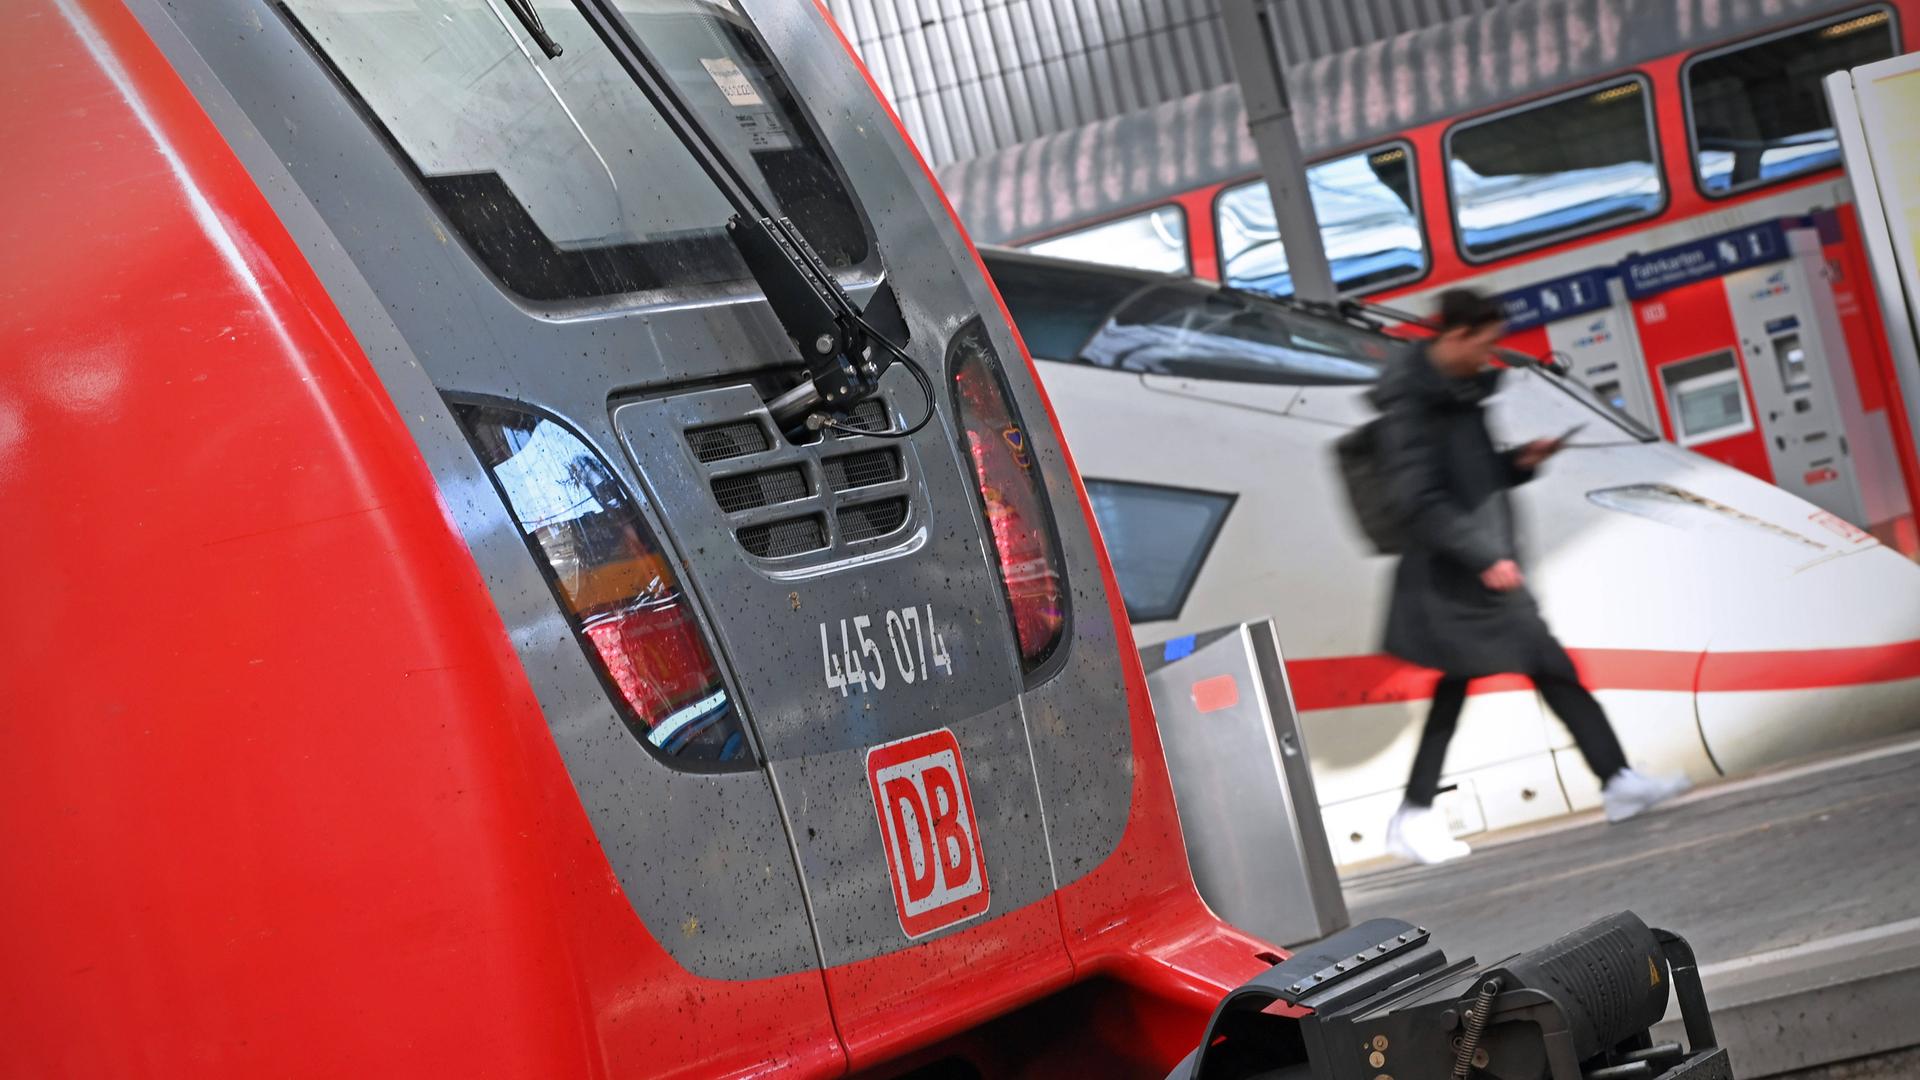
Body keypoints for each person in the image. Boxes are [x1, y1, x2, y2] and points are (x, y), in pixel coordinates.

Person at [1374, 288, 1690, 865]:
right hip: (1456, 573)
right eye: (1486, 344)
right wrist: (1482, 555)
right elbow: (1417, 499)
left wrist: (1514, 464)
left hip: (1476, 566)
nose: (1490, 355)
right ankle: (1417, 814)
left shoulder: (1453, 394)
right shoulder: (1412, 406)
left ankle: (1611, 780)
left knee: (1493, 678)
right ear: (1457, 335)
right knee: (1534, 667)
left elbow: (1467, 477)